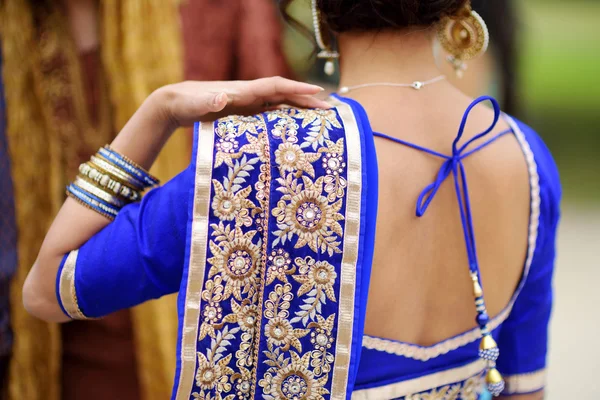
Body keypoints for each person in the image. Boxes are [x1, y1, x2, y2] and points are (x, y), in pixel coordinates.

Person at [22, 0, 561, 399]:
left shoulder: (256, 161)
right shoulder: (525, 157)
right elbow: (524, 388)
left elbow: (49, 290)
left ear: (318, 11)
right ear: (459, 8)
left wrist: (157, 113)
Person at [0, 0, 291, 399]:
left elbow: (280, 162)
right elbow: (42, 292)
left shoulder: (222, 11)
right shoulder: (14, 35)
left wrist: (160, 113)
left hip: (190, 336)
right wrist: (159, 113)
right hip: (38, 342)